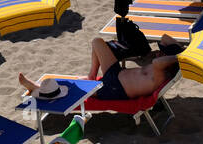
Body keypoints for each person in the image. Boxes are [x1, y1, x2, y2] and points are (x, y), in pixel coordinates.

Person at [18, 36, 180, 103]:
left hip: (116, 88)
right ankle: (91, 76)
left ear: (169, 60)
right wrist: (180, 53)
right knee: (97, 42)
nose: (159, 52)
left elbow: (160, 61)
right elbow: (165, 37)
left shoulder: (162, 72)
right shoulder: (163, 66)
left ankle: (36, 89)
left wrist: (179, 57)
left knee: (73, 90)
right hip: (116, 74)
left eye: (163, 52)